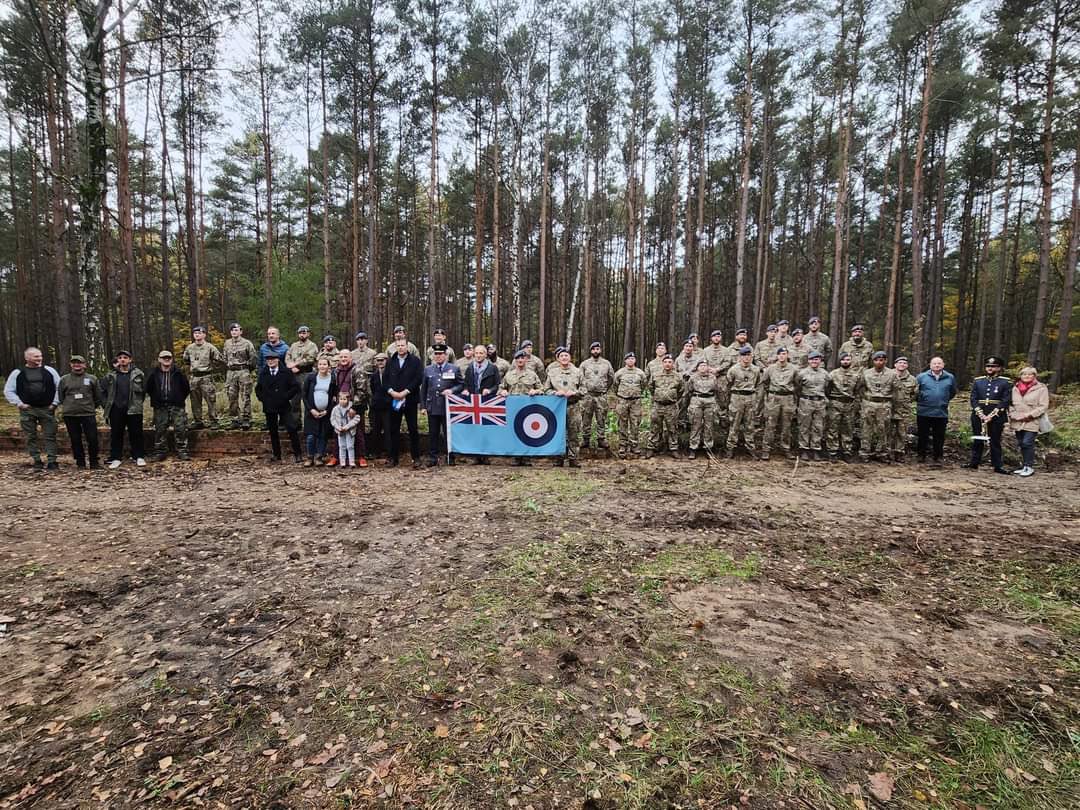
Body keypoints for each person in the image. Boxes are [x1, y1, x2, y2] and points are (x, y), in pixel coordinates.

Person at [5, 346, 61, 470]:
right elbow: (9, 391)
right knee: (30, 436)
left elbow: (59, 387)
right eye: (36, 356)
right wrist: (19, 404)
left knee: (50, 435)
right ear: (27, 358)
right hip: (27, 410)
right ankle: (36, 460)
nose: (39, 358)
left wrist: (55, 403)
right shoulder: (17, 373)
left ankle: (52, 461)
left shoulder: (49, 371)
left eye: (40, 356)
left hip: (47, 409)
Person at [963, 355, 1012, 474]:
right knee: (977, 438)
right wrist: (979, 413)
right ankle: (974, 463)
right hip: (978, 414)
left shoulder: (1005, 382)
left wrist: (992, 415)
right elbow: (973, 398)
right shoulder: (978, 381)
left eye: (993, 366)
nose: (990, 368)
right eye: (988, 366)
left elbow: (1006, 400)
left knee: (995, 440)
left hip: (997, 415)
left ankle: (997, 465)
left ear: (999, 368)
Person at [101, 350, 147, 469]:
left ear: (130, 360)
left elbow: (143, 391)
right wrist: (107, 405)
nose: (122, 359)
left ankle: (139, 456)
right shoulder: (111, 375)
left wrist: (137, 403)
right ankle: (116, 458)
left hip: (133, 408)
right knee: (116, 434)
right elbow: (103, 391)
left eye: (125, 357)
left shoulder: (138, 374)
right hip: (116, 409)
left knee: (136, 433)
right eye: (120, 357)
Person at [420, 344, 464, 467]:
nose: (438, 356)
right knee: (433, 433)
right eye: (436, 354)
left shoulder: (454, 369)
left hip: (447, 407)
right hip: (432, 405)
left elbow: (461, 385)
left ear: (446, 355)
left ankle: (450, 456)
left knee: (448, 433)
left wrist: (452, 390)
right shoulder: (428, 369)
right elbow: (424, 389)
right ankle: (433, 457)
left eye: (440, 354)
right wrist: (423, 406)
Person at [255, 352, 302, 463]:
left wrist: (285, 397)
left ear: (277, 360)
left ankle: (298, 454)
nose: (270, 361)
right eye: (268, 359)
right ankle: (277, 454)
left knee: (292, 428)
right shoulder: (263, 373)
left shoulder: (286, 372)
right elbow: (258, 389)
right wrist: (264, 399)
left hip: (284, 405)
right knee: (273, 431)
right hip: (269, 406)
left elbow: (295, 387)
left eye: (272, 359)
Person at [384, 338, 423, 468]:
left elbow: (418, 378)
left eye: (403, 345)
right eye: (398, 345)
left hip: (409, 400)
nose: (401, 348)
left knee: (413, 429)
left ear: (407, 347)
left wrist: (405, 392)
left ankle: (416, 458)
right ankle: (392, 458)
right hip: (394, 400)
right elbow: (385, 380)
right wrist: (392, 392)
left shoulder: (415, 361)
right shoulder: (390, 361)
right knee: (393, 430)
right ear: (395, 347)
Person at [146, 350, 192, 461]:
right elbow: (149, 388)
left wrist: (178, 398)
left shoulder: (179, 373)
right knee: (160, 429)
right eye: (164, 358)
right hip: (160, 406)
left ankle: (182, 451)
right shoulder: (153, 373)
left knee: (180, 429)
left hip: (177, 405)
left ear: (172, 359)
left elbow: (186, 388)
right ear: (159, 359)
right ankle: (160, 452)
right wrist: (157, 399)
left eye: (169, 358)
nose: (166, 360)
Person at [58, 354, 102, 469]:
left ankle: (94, 462)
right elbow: (61, 397)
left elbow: (98, 397)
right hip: (70, 414)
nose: (77, 365)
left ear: (84, 365)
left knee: (92, 438)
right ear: (71, 365)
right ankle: (80, 462)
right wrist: (69, 405)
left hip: (88, 413)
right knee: (75, 439)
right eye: (74, 362)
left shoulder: (92, 378)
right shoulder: (64, 379)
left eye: (79, 362)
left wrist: (91, 406)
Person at [544, 347, 586, 467]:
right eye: (561, 356)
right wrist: (555, 393)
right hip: (557, 407)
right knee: (558, 432)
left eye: (566, 355)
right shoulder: (552, 373)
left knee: (574, 432)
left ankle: (574, 458)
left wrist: (575, 393)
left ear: (570, 358)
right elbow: (546, 389)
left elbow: (584, 389)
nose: (564, 358)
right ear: (558, 358)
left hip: (573, 406)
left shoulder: (577, 372)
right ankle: (559, 458)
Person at [854, 350, 897, 463]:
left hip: (884, 404)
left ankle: (881, 452)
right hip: (869, 403)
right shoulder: (866, 373)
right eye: (877, 360)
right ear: (873, 361)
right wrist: (864, 401)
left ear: (885, 361)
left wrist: (892, 403)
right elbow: (859, 387)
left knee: (883, 429)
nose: (879, 362)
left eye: (881, 360)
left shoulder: (892, 374)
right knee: (866, 428)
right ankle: (865, 452)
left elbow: (897, 391)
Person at [915, 355, 957, 467]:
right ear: (930, 365)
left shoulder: (950, 377)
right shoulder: (921, 377)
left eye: (939, 363)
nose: (937, 365)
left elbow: (952, 392)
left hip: (941, 412)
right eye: (934, 363)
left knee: (939, 436)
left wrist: (943, 401)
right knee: (922, 435)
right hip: (924, 411)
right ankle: (921, 455)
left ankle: (937, 456)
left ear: (943, 365)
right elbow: (915, 392)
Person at [462, 343, 501, 465]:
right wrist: (466, 390)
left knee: (487, 429)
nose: (478, 356)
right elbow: (466, 384)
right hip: (473, 403)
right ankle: (475, 455)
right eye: (477, 353)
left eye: (481, 353)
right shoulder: (470, 368)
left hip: (487, 402)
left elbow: (498, 384)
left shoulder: (492, 368)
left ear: (485, 354)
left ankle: (486, 455)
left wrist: (490, 390)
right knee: (474, 428)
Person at [1009, 367, 1049, 478]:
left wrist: (1029, 415)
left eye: (1030, 374)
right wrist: (1014, 415)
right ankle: (1024, 465)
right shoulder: (1015, 388)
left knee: (1027, 442)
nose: (1027, 376)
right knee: (1021, 443)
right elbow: (1011, 404)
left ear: (1034, 376)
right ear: (1020, 376)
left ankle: (1029, 466)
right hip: (1017, 420)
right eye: (1024, 374)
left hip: (1032, 420)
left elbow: (1043, 406)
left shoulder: (1041, 388)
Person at [760, 346, 798, 460]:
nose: (782, 356)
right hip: (774, 398)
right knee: (770, 424)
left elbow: (797, 383)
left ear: (787, 355)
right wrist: (771, 393)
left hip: (787, 398)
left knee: (786, 425)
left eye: (784, 353)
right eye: (780, 354)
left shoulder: (793, 369)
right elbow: (765, 382)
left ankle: (786, 448)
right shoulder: (770, 369)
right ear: (777, 355)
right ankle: (766, 450)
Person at [182, 325, 223, 429]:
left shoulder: (210, 347)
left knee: (210, 399)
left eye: (199, 333)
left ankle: (214, 420)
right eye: (195, 333)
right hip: (194, 377)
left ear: (204, 334)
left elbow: (219, 360)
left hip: (206, 377)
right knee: (195, 400)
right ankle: (198, 421)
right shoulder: (189, 348)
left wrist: (213, 368)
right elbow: (186, 361)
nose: (197, 335)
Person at [645, 354, 684, 460]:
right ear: (662, 363)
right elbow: (650, 387)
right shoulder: (656, 375)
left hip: (671, 407)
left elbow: (681, 390)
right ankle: (651, 448)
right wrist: (658, 397)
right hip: (658, 405)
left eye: (670, 362)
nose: (667, 364)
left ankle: (673, 449)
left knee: (672, 429)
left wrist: (672, 398)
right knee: (654, 427)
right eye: (665, 362)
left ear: (673, 364)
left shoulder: (678, 376)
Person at [725, 346, 761, 458]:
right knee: (734, 424)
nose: (746, 358)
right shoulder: (733, 370)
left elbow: (757, 383)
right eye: (744, 355)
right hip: (737, 397)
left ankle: (750, 448)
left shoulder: (756, 370)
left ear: (751, 357)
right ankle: (730, 448)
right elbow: (728, 384)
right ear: (740, 357)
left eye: (749, 355)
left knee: (750, 425)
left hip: (750, 397)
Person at [612, 352, 648, 460]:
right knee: (622, 423)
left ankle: (634, 445)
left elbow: (643, 385)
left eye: (633, 358)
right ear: (625, 361)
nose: (631, 360)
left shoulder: (640, 373)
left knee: (635, 423)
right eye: (629, 359)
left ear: (635, 360)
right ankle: (622, 445)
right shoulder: (619, 373)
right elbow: (615, 385)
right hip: (622, 400)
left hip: (636, 401)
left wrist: (636, 394)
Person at [302, 357, 337, 466]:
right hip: (311, 412)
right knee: (311, 436)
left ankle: (319, 457)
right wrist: (311, 409)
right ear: (317, 366)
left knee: (323, 435)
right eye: (320, 364)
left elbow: (334, 397)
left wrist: (327, 411)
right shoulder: (311, 377)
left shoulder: (332, 379)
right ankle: (309, 457)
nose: (322, 366)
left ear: (329, 366)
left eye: (324, 364)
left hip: (325, 412)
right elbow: (304, 395)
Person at [580, 341, 615, 450]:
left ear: (600, 350)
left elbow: (611, 378)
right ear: (591, 351)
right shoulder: (585, 364)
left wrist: (604, 389)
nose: (596, 351)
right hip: (588, 396)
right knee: (586, 417)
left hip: (601, 396)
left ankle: (601, 439)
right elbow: (580, 378)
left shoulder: (606, 363)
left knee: (601, 418)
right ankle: (585, 439)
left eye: (597, 349)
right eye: (594, 349)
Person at [795, 351, 829, 460]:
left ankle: (816, 449)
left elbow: (828, 387)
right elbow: (797, 387)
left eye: (817, 359)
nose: (814, 361)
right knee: (804, 425)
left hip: (820, 402)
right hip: (806, 401)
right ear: (808, 361)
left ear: (820, 361)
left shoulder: (825, 373)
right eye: (812, 359)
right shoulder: (802, 373)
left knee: (818, 426)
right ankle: (804, 449)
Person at [825, 352, 860, 461]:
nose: (846, 361)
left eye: (848, 359)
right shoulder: (833, 374)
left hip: (849, 404)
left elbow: (858, 390)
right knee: (833, 427)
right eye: (843, 360)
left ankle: (847, 451)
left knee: (848, 428)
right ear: (840, 361)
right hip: (835, 402)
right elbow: (827, 389)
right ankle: (832, 451)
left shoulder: (856, 375)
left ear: (851, 361)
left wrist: (855, 404)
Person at [223, 322, 257, 429]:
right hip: (231, 373)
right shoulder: (227, 343)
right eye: (232, 330)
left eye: (236, 330)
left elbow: (253, 358)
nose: (234, 332)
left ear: (240, 331)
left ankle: (246, 418)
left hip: (243, 371)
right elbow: (224, 357)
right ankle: (235, 419)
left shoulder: (247, 343)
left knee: (245, 396)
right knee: (231, 396)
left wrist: (247, 369)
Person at [686, 360, 717, 459]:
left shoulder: (713, 377)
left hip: (710, 400)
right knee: (696, 424)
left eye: (705, 365)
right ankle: (693, 448)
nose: (703, 367)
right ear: (697, 368)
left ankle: (708, 448)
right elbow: (689, 390)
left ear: (708, 367)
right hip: (697, 400)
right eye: (701, 366)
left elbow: (717, 390)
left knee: (709, 425)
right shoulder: (693, 377)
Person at [285, 325, 318, 417]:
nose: (302, 335)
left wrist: (296, 365)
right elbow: (288, 357)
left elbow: (310, 359)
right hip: (295, 375)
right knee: (295, 400)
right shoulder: (293, 345)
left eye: (304, 333)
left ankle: (309, 422)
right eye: (300, 333)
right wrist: (291, 367)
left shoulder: (312, 345)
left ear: (308, 334)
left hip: (307, 374)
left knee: (308, 399)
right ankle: (296, 424)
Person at [890, 356, 919, 462]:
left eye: (904, 363)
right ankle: (888, 452)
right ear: (895, 364)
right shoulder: (888, 375)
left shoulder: (912, 379)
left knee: (901, 433)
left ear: (907, 365)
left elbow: (914, 394)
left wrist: (906, 402)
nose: (902, 364)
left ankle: (899, 453)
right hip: (889, 409)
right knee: (888, 432)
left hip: (904, 410)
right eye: (900, 362)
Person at [367, 352, 392, 458]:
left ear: (387, 361)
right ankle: (375, 452)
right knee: (375, 429)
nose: (380, 362)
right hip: (376, 406)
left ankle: (390, 453)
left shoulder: (391, 374)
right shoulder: (374, 375)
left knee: (388, 429)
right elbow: (372, 389)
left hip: (388, 406)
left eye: (382, 360)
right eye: (378, 360)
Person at [331, 391, 363, 469]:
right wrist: (338, 427)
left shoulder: (352, 408)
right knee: (342, 446)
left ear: (348, 399)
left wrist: (348, 426)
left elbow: (357, 418)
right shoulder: (335, 409)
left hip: (350, 431)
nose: (342, 401)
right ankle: (342, 462)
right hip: (340, 431)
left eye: (344, 399)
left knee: (350, 446)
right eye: (341, 399)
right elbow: (333, 419)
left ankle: (351, 462)